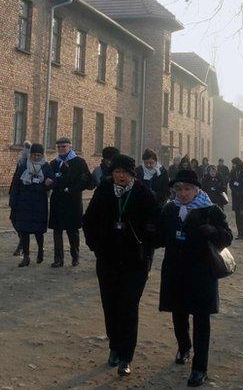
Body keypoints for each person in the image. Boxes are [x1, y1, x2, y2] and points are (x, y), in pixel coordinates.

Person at [155, 163, 233, 387]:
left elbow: (227, 237)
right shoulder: (170, 209)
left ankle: (200, 367)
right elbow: (161, 236)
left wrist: (214, 232)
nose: (183, 193)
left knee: (201, 319)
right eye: (179, 189)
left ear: (197, 189)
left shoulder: (211, 209)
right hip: (176, 271)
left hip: (202, 273)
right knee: (178, 314)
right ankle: (184, 346)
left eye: (187, 189)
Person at [83, 154, 161, 377]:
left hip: (134, 262)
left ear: (132, 174)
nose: (120, 176)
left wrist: (146, 244)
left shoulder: (143, 193)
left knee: (128, 307)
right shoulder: (104, 191)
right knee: (110, 305)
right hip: (107, 260)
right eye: (117, 172)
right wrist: (95, 245)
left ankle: (126, 356)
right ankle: (114, 347)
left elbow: (155, 222)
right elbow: (88, 220)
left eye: (125, 172)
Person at [46, 136, 94, 267]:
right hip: (57, 201)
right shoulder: (53, 164)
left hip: (72, 201)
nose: (61, 149)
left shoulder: (79, 162)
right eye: (59, 147)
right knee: (57, 230)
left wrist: (72, 189)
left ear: (70, 147)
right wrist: (49, 183)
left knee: (72, 230)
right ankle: (58, 258)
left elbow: (86, 181)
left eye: (64, 147)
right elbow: (48, 181)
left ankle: (75, 256)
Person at [9, 143, 49, 266]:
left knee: (38, 231)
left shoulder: (46, 167)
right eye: (34, 155)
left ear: (42, 155)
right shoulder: (23, 166)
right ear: (30, 155)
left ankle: (40, 251)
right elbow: (15, 184)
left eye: (39, 155)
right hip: (24, 203)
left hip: (39, 204)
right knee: (24, 231)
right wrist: (13, 201)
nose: (36, 157)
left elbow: (53, 181)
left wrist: (49, 183)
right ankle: (26, 256)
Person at [228, 158, 243, 240]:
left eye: (234, 163)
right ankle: (239, 233)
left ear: (238, 163)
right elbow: (231, 183)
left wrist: (241, 192)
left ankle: (242, 233)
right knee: (237, 215)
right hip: (235, 196)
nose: (233, 165)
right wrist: (235, 191)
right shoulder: (233, 172)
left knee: (242, 214)